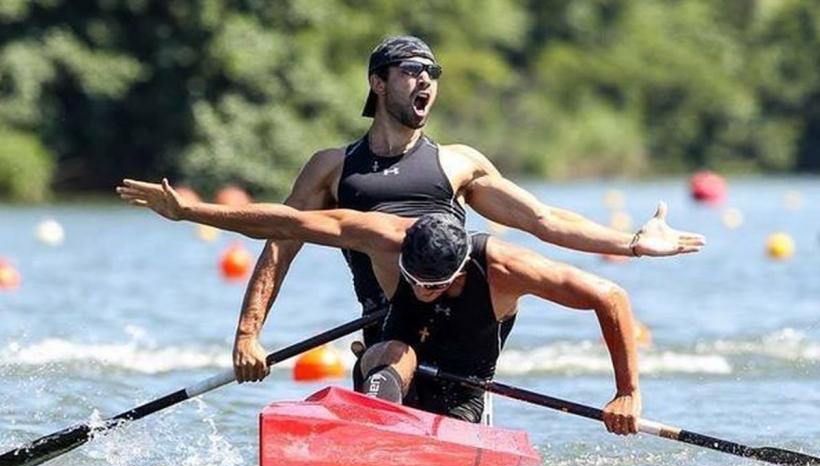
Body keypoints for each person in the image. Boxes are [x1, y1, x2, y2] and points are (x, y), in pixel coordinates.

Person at [126, 35, 704, 385]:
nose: (425, 81)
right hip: (385, 316)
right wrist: (249, 335)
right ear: (379, 83)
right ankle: (377, 395)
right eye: (411, 71)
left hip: (464, 312)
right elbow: (282, 238)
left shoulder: (458, 164)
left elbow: (544, 220)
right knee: (388, 355)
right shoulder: (331, 167)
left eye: (432, 74)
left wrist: (630, 242)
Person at [119, 179, 648, 435]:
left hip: (465, 386)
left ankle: (401, 427)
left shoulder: (508, 266)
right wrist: (191, 211)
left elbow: (611, 297)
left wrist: (626, 393)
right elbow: (288, 222)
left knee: (423, 374)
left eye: (433, 286)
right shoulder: (391, 235)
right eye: (412, 280)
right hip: (393, 363)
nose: (419, 290)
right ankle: (371, 426)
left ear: (461, 269)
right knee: (388, 350)